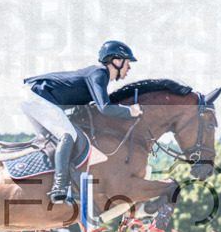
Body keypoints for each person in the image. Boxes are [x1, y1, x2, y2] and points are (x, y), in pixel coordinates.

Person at [22, 40, 144, 203]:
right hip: (37, 95)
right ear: (116, 61)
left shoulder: (98, 76)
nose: (129, 68)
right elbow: (105, 108)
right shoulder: (100, 73)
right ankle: (60, 186)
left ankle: (58, 187)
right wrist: (130, 111)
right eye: (127, 63)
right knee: (68, 135)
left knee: (54, 142)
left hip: (32, 96)